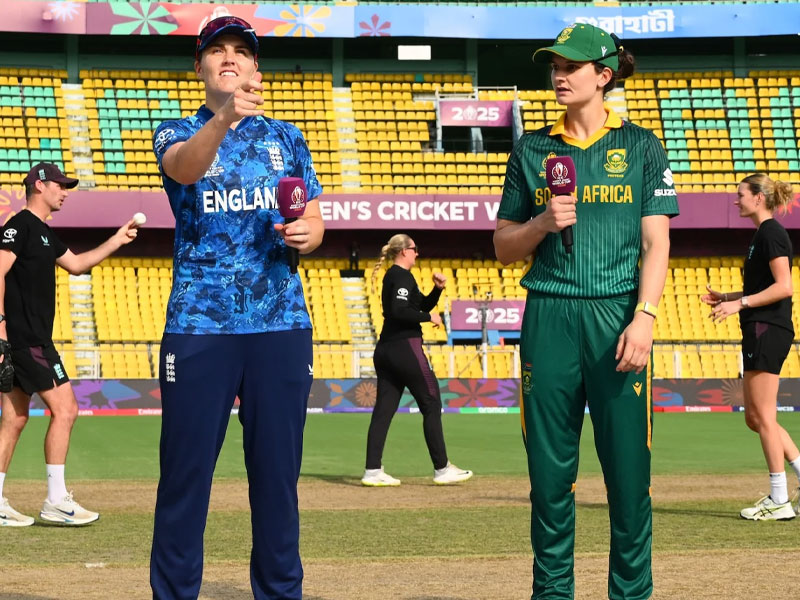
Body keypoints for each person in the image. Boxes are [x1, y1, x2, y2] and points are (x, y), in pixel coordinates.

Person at [494, 24, 679, 600]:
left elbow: (656, 243)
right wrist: (541, 223)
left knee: (629, 477)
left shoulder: (643, 146)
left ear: (604, 75)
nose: (559, 75)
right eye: (554, 66)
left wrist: (645, 317)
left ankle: (631, 593)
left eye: (570, 66)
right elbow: (503, 246)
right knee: (549, 480)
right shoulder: (530, 149)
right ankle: (552, 594)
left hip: (618, 318)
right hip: (548, 315)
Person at [149, 16, 324, 600]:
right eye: (217, 50)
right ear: (199, 66)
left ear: (255, 67)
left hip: (280, 324)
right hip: (200, 325)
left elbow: (314, 216)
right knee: (185, 477)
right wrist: (224, 117)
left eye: (241, 51)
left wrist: (310, 235)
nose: (230, 58)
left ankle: (280, 592)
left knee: (277, 480)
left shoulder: (288, 137)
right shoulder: (176, 129)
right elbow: (185, 168)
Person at [0, 162, 140, 527]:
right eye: (60, 185)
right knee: (66, 410)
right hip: (26, 341)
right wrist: (0, 330)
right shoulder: (19, 226)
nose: (65, 191)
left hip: (30, 340)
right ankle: (57, 501)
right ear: (40, 185)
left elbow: (76, 264)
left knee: (14, 419)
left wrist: (117, 240)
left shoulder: (44, 233)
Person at [701, 174, 800, 520]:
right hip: (760, 328)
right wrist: (728, 297)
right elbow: (763, 286)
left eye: (741, 194)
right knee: (755, 418)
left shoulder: (771, 233)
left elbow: (784, 286)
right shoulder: (763, 235)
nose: (736, 200)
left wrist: (739, 304)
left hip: (767, 329)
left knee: (764, 417)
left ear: (758, 198)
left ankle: (779, 499)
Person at [362, 233, 472, 487]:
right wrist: (427, 318)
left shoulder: (397, 276)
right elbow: (400, 311)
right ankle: (442, 468)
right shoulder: (401, 276)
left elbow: (419, 304)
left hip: (386, 348)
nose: (417, 253)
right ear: (404, 251)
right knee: (431, 402)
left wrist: (437, 289)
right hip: (404, 347)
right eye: (414, 249)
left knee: (384, 410)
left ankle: (372, 470)